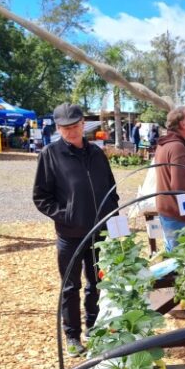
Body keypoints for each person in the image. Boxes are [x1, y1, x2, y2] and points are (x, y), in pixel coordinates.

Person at [33, 103, 120, 356]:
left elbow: (112, 191)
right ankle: (72, 335)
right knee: (71, 287)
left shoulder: (97, 153)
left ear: (84, 125)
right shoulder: (50, 154)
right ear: (58, 128)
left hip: (99, 233)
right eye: (65, 127)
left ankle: (95, 326)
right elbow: (41, 197)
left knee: (97, 282)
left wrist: (114, 222)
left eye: (75, 126)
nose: (71, 131)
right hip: (70, 235)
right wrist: (66, 215)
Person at [154, 107, 185, 251]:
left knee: (172, 254)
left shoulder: (166, 144)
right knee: (179, 260)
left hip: (167, 209)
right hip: (176, 213)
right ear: (183, 124)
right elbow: (181, 188)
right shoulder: (177, 147)